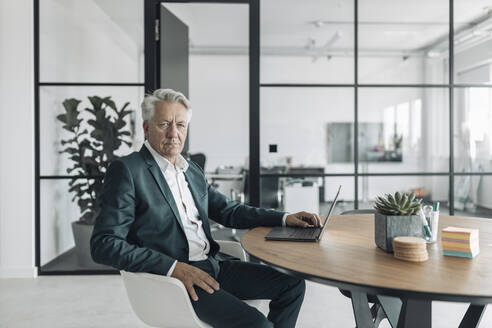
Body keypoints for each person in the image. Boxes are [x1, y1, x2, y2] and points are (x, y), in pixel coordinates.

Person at [90, 88, 321, 328]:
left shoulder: (190, 170)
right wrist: (174, 268)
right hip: (175, 280)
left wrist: (284, 218)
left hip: (213, 265)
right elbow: (104, 244)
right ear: (146, 128)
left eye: (180, 125)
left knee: (292, 285)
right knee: (258, 325)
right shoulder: (128, 170)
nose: (173, 133)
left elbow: (229, 211)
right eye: (164, 124)